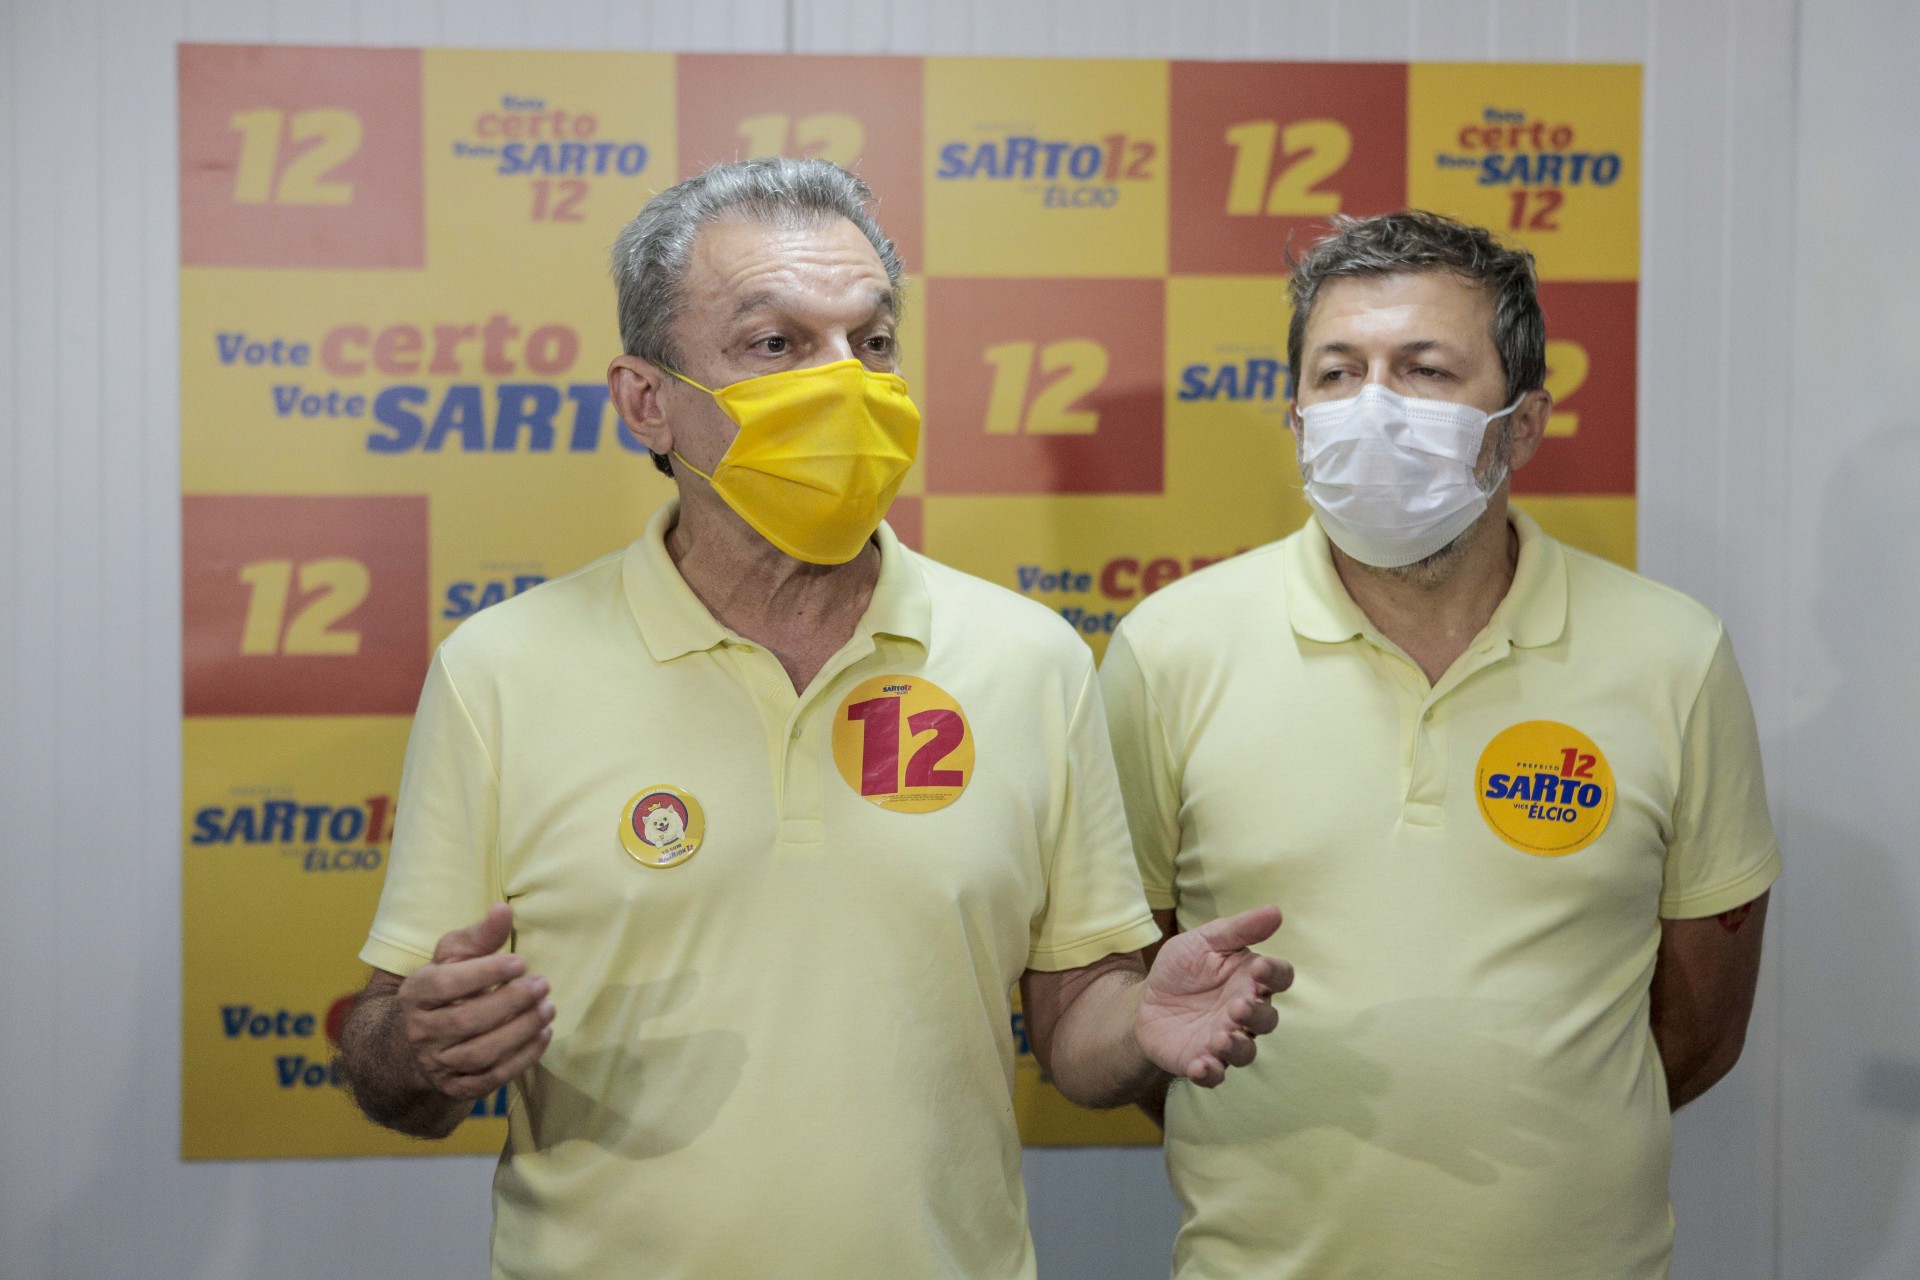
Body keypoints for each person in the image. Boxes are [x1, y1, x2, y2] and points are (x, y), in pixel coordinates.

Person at [334, 157, 1290, 1280]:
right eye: (776, 343)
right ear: (647, 401)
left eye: (871, 341)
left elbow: (1077, 1018)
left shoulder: (1029, 658)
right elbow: (387, 1059)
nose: (845, 381)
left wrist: (1140, 1027)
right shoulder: (500, 670)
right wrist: (424, 1049)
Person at [1099, 210, 1779, 1279]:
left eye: (1423, 370)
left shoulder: (1674, 654)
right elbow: (1134, 1004)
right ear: (1296, 416)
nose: (1373, 407)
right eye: (1338, 372)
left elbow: (1696, 1030)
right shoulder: (1168, 649)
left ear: (1522, 423)